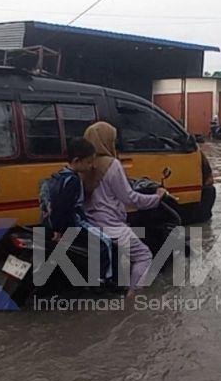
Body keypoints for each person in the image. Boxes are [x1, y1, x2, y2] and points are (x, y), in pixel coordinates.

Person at [80, 122, 166, 293]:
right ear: (106, 141)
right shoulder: (112, 165)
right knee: (144, 256)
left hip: (88, 224)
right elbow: (129, 198)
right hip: (111, 226)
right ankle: (132, 300)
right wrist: (156, 198)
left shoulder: (84, 164)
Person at [40, 137, 114, 283]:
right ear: (76, 161)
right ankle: (104, 279)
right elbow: (62, 207)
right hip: (72, 223)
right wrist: (60, 230)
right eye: (88, 162)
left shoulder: (59, 175)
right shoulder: (72, 181)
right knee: (105, 242)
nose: (91, 166)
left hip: (52, 223)